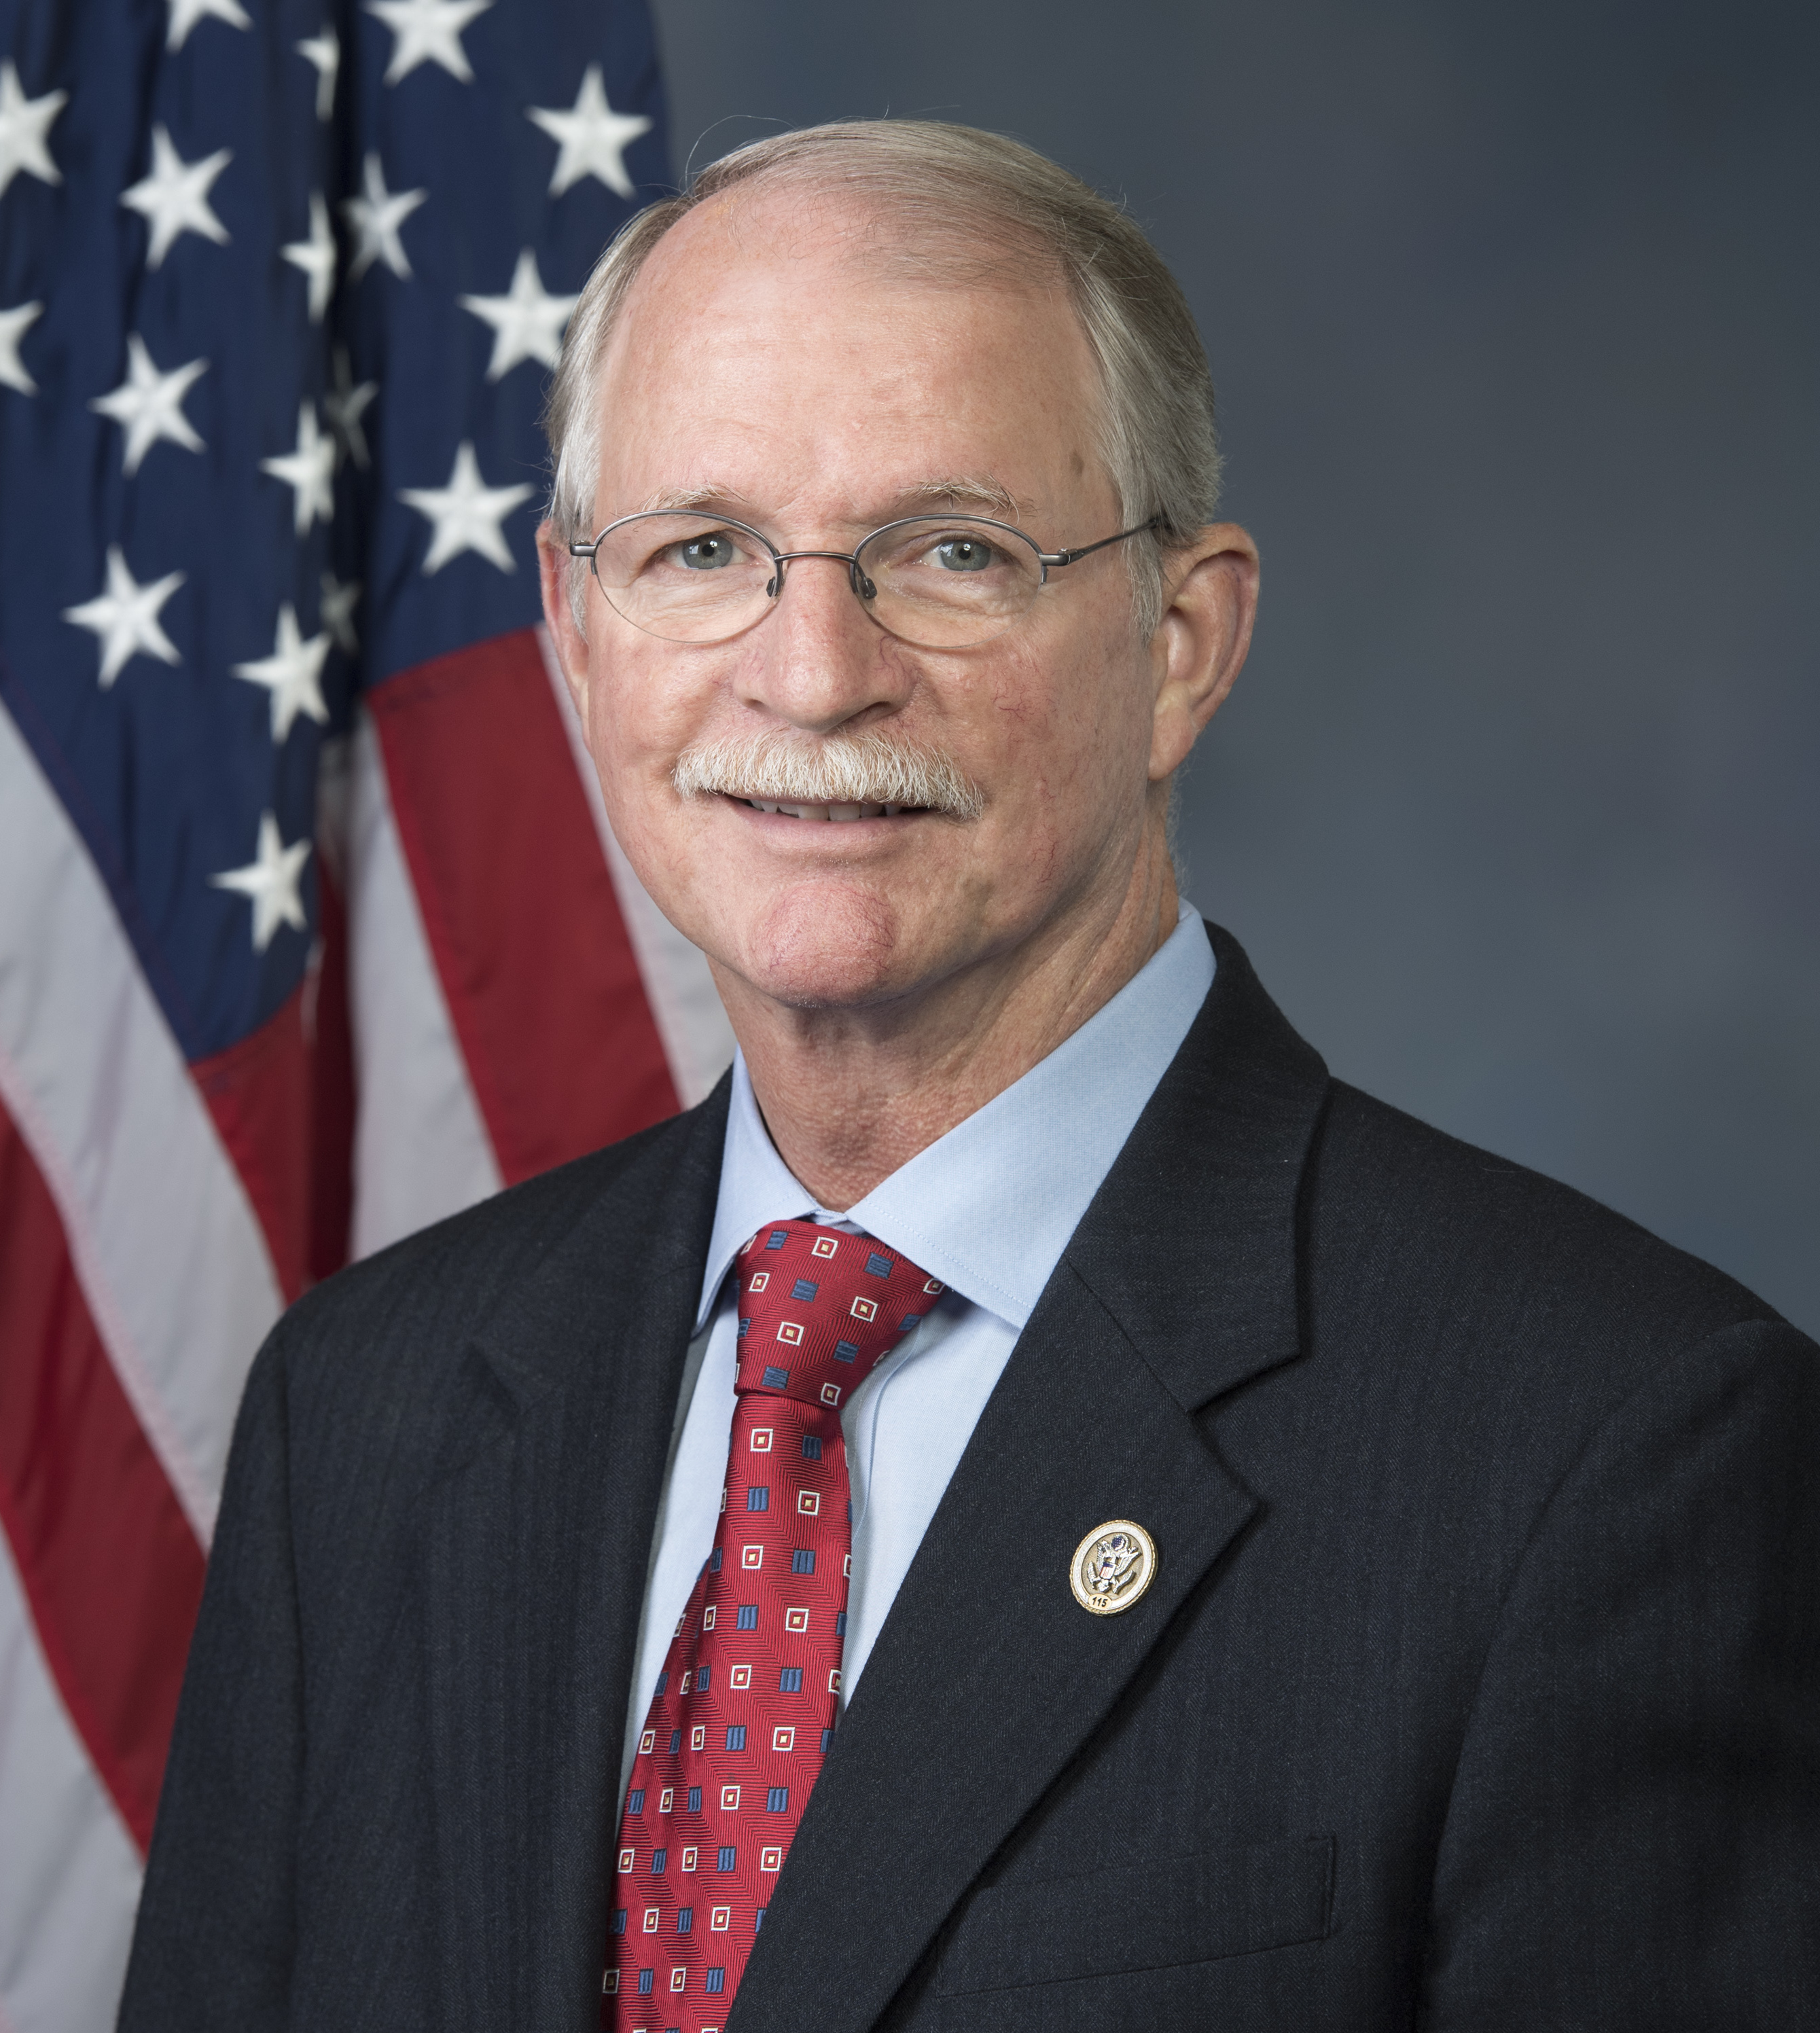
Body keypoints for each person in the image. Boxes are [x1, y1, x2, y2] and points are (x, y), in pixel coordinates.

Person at [120, 122, 1819, 2033]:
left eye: (951, 553)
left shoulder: (1606, 1449)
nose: (816, 670)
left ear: (1184, 644)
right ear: (578, 639)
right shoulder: (361, 1417)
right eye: (703, 551)